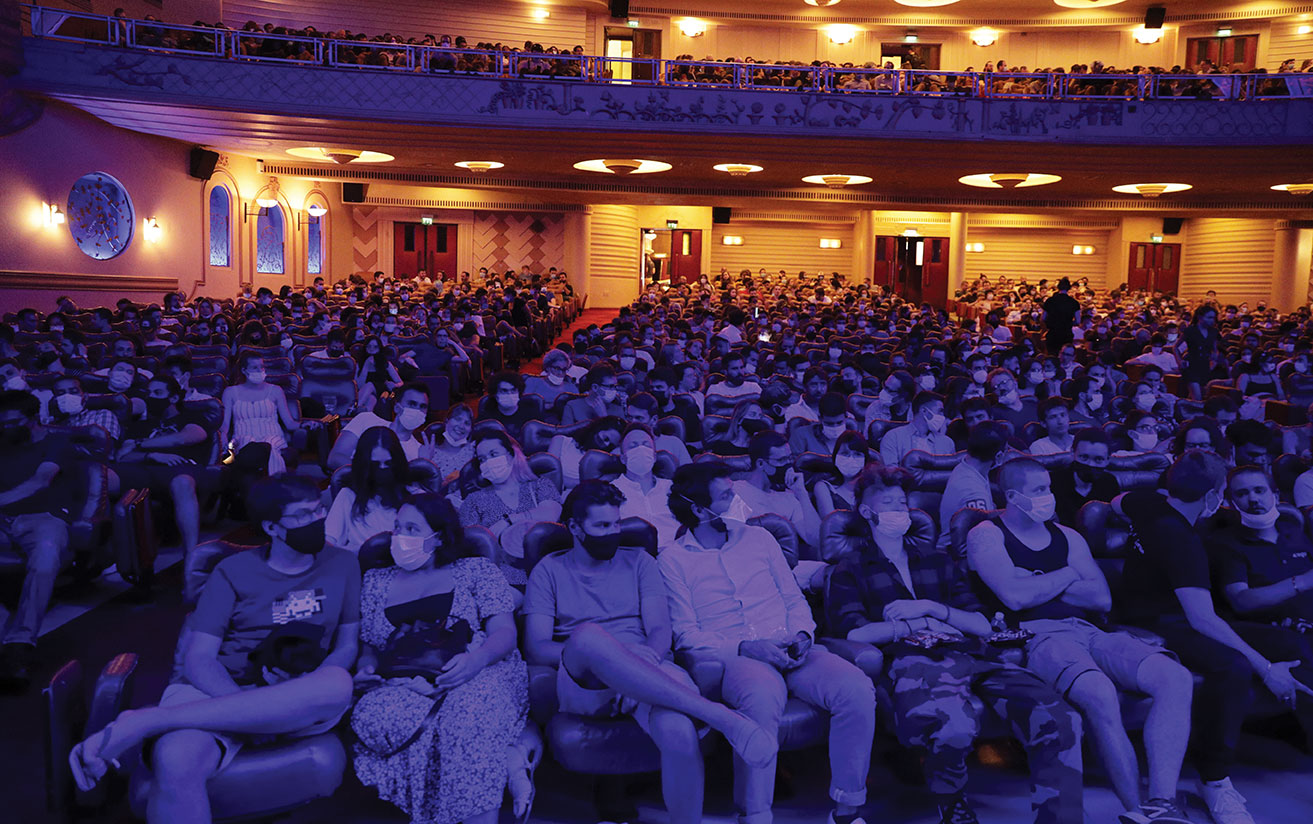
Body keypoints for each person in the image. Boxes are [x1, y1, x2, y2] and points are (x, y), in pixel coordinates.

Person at [67, 476, 359, 823]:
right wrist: (252, 715)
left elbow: (346, 645)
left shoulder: (344, 563)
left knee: (337, 682)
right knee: (175, 758)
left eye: (319, 511)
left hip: (300, 693)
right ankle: (162, 725)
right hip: (217, 689)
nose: (317, 520)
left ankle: (148, 720)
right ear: (272, 528)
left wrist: (299, 687)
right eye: (303, 515)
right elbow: (198, 660)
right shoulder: (231, 571)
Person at [827, 465, 1083, 824]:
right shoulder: (850, 568)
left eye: (902, 502)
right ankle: (952, 804)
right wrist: (916, 624)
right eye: (888, 503)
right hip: (913, 660)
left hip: (972, 654)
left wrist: (933, 609)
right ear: (867, 512)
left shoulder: (936, 559)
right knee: (953, 727)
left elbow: (980, 624)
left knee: (1061, 718)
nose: (899, 509)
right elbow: (855, 635)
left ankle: (1060, 818)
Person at [523, 481, 777, 824]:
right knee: (588, 636)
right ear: (575, 527)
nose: (612, 533)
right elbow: (537, 647)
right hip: (585, 679)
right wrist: (612, 660)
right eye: (601, 526)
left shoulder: (640, 561)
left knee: (680, 731)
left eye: (616, 523)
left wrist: (637, 666)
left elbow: (659, 630)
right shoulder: (548, 570)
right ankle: (722, 718)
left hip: (649, 664)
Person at [967, 458, 1194, 824]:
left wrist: (1039, 578)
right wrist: (1070, 575)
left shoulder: (1068, 536)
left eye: (1049, 487)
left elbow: (1101, 599)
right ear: (1012, 496)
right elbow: (1015, 598)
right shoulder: (986, 533)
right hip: (1037, 635)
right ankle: (1137, 811)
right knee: (1099, 692)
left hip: (1090, 630)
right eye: (1039, 490)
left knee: (1175, 678)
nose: (1049, 496)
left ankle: (1161, 803)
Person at [662, 461, 875, 824]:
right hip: (738, 656)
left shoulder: (760, 539)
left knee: (856, 689)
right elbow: (686, 633)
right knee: (761, 700)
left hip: (791, 644)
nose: (737, 500)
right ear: (698, 509)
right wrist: (746, 647)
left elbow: (794, 599)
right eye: (726, 496)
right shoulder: (673, 559)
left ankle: (847, 809)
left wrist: (803, 635)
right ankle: (755, 815)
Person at [1114, 454, 1313, 824]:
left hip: (1175, 614)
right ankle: (1214, 779)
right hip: (1155, 624)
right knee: (1233, 667)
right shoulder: (1182, 540)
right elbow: (1202, 620)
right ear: (1211, 497)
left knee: (1291, 645)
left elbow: (1116, 501)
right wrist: (1267, 669)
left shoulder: (1146, 504)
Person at [351, 493, 528, 824]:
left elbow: (505, 633)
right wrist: (366, 670)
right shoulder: (375, 580)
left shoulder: (476, 570)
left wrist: (476, 661)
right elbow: (369, 648)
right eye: (397, 527)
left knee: (466, 718)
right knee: (374, 715)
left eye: (412, 529)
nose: (400, 537)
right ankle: (508, 758)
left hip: (476, 668)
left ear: (440, 537)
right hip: (401, 681)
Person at [111, 377, 215, 595]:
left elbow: (183, 439)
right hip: (145, 468)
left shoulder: (193, 418)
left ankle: (191, 559)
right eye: (149, 393)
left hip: (183, 468)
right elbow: (122, 456)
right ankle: (102, 552)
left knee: (182, 482)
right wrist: (151, 455)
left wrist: (140, 444)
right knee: (104, 475)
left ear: (174, 398)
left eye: (157, 393)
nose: (151, 398)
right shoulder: (141, 425)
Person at [0, 390, 73, 690]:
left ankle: (19, 646)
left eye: (12, 422)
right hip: (4, 519)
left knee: (45, 559)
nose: (5, 428)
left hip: (44, 517)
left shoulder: (57, 442)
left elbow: (40, 481)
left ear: (33, 419)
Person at [458, 429, 562, 583]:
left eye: (493, 454)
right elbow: (469, 546)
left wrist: (508, 521)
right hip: (500, 579)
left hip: (545, 573)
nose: (488, 463)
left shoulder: (540, 485)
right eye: (482, 459)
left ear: (511, 455)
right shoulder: (474, 500)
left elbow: (551, 515)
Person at [326, 427, 411, 555]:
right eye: (375, 465)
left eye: (388, 463)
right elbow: (328, 543)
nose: (382, 469)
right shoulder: (347, 496)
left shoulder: (415, 496)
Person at [733, 431, 822, 549]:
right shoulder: (735, 491)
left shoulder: (789, 498)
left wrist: (802, 493)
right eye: (781, 460)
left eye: (789, 458)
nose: (788, 465)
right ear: (761, 463)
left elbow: (816, 539)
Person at [217, 354, 299, 476]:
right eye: (254, 367)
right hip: (242, 437)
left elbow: (290, 423)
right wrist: (222, 435)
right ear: (244, 370)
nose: (260, 370)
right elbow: (225, 424)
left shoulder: (276, 390)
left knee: (269, 445)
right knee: (249, 445)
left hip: (273, 437)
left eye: (262, 366)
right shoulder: (230, 392)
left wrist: (307, 423)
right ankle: (277, 481)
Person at [326, 382, 431, 470]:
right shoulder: (366, 419)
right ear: (397, 407)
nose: (417, 410)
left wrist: (423, 464)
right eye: (412, 404)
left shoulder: (421, 453)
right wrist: (372, 474)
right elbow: (335, 458)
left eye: (422, 406)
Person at [612, 424, 681, 546]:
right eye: (633, 446)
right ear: (623, 458)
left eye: (646, 445)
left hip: (677, 552)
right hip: (635, 554)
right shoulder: (610, 491)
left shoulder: (673, 488)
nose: (641, 450)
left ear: (654, 456)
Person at [939, 422, 1005, 543]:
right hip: (956, 550)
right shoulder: (973, 492)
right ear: (999, 456)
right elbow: (983, 539)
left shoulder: (967, 466)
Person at [1051, 427, 1119, 526]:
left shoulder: (1110, 482)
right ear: (1072, 453)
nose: (1090, 464)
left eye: (1098, 459)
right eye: (1084, 457)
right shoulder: (1053, 481)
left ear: (1108, 460)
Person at [879, 391, 952, 466]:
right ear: (924, 411)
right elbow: (890, 471)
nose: (942, 416)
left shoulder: (947, 443)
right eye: (940, 411)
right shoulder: (893, 438)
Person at [815, 431, 875, 517]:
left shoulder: (873, 488)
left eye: (857, 454)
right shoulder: (825, 487)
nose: (851, 459)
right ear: (835, 457)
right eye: (845, 453)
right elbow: (830, 522)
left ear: (865, 460)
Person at [479, 372, 536, 441]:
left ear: (519, 392)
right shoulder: (486, 419)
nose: (509, 394)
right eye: (504, 391)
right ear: (495, 394)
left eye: (513, 390)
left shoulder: (531, 415)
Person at [1182, 306, 1220, 401]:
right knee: (1197, 397)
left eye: (1213, 318)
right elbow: (1176, 347)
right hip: (1191, 365)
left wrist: (1214, 358)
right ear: (1200, 317)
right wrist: (1179, 361)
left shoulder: (1213, 331)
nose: (1212, 320)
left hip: (1205, 365)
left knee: (1197, 396)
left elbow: (1215, 349)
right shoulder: (1190, 330)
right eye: (1209, 317)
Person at [1042, 278, 1080, 355]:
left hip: (1052, 333)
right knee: (1065, 355)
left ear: (1058, 287)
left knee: (1052, 355)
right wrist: (1068, 323)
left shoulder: (1050, 301)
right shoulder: (1074, 302)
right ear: (1069, 288)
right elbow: (1078, 321)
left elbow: (1043, 318)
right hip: (1066, 333)